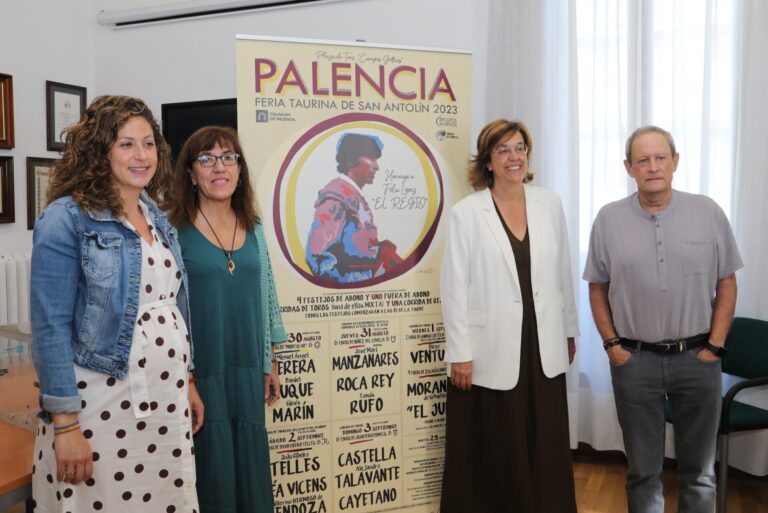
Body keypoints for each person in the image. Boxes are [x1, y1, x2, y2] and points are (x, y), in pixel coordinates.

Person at [30, 95, 204, 513]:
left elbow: (173, 305)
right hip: (101, 406)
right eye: (126, 144)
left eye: (148, 144)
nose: (141, 155)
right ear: (99, 150)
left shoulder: (157, 215)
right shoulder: (66, 218)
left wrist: (190, 379)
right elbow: (50, 328)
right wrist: (67, 425)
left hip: (166, 400)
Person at [583, 126, 742, 513]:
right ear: (628, 167)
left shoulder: (707, 212)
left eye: (660, 158)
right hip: (635, 363)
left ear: (675, 162)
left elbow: (727, 281)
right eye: (642, 160)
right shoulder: (608, 219)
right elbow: (597, 286)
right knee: (642, 472)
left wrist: (716, 346)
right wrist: (612, 347)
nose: (652, 166)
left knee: (700, 473)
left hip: (698, 359)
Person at [440, 119, 579, 513]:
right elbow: (453, 288)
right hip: (491, 347)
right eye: (502, 150)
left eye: (519, 148)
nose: (513, 157)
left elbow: (562, 273)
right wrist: (459, 352)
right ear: (487, 160)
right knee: (499, 446)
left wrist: (569, 329)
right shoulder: (467, 213)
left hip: (544, 343)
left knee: (545, 441)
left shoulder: (549, 203)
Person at [165, 126, 288, 513]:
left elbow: (266, 295)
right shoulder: (173, 232)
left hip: (248, 370)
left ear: (239, 169)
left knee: (249, 479)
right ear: (190, 172)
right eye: (206, 158)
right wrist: (184, 377)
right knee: (211, 475)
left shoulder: (254, 227)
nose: (219, 167)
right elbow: (166, 308)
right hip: (203, 374)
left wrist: (270, 360)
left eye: (228, 157)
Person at [305, 132, 402, 283]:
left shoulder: (350, 194)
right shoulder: (336, 197)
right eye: (371, 157)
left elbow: (351, 245)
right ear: (351, 160)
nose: (376, 166)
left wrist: (379, 252)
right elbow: (318, 256)